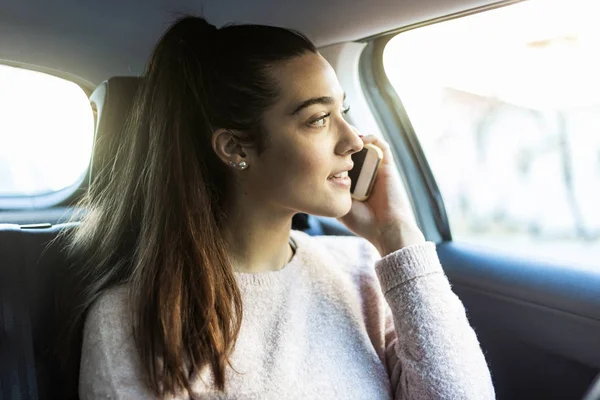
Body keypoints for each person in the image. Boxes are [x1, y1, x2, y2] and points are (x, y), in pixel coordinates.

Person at [58, 16, 495, 399]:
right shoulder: (132, 319)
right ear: (234, 147)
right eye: (317, 119)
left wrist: (398, 235)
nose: (354, 141)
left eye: (342, 110)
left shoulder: (359, 267)